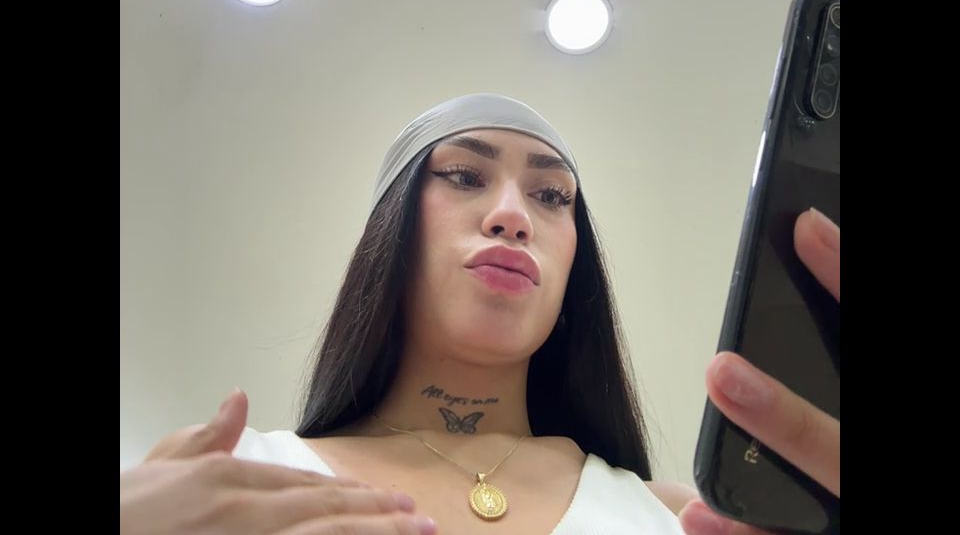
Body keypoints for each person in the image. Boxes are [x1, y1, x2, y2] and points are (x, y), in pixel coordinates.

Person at [120, 93, 840, 535]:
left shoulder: (679, 518)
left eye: (551, 197)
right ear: (391, 236)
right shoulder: (234, 475)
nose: (511, 215)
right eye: (465, 176)